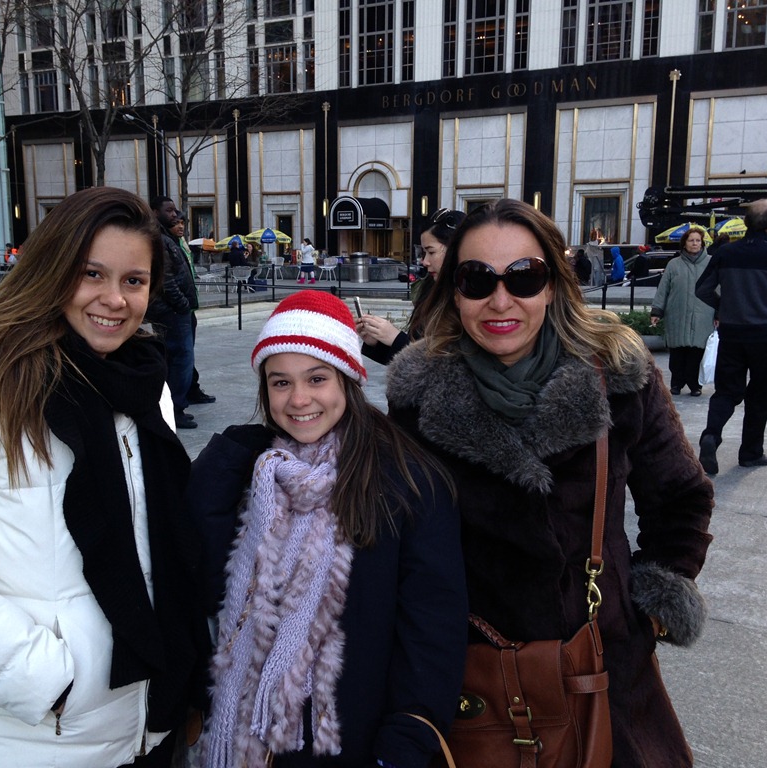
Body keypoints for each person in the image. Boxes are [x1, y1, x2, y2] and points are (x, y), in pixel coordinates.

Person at [0, 188, 210, 768]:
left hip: (150, 717)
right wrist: (51, 682)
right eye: (91, 273)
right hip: (37, 735)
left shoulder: (142, 379)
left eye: (134, 280)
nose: (114, 299)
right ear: (52, 268)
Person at [387, 198, 715, 767]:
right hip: (471, 681)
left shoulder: (617, 374)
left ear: (553, 285)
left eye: (523, 276)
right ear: (453, 291)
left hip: (606, 669)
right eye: (477, 279)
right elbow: (398, 536)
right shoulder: (417, 398)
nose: (500, 301)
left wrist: (648, 604)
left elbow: (680, 497)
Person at [188, 291, 467, 768]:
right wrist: (223, 465)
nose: (299, 399)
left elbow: (433, 632)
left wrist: (403, 747)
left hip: (355, 742)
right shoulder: (257, 473)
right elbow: (207, 588)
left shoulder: (407, 482)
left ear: (349, 380)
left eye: (317, 378)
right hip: (253, 746)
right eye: (281, 382)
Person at [694, 199, 767, 474]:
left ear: (745, 222)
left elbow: (702, 289)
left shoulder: (726, 252)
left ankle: (711, 435)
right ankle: (750, 452)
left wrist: (724, 307)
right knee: (759, 394)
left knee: (726, 391)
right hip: (764, 334)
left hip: (731, 333)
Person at [356, 207, 466, 365]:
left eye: (431, 252)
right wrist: (377, 342)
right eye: (423, 253)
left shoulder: (470, 299)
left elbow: (445, 366)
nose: (424, 261)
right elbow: (413, 357)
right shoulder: (430, 289)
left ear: (455, 250)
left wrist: (395, 338)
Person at [148, 197, 200, 429]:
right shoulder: (159, 240)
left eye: (174, 210)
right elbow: (166, 279)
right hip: (171, 311)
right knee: (182, 359)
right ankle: (175, 407)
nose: (173, 214)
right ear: (155, 212)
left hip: (174, 310)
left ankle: (175, 404)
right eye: (168, 210)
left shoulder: (167, 238)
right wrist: (181, 304)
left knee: (177, 358)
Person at [651, 227, 716, 396]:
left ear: (702, 243)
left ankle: (695, 385)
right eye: (691, 240)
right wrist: (657, 311)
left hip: (703, 315)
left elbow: (719, 289)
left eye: (698, 240)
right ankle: (676, 384)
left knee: (697, 352)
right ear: (684, 243)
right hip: (677, 314)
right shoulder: (674, 264)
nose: (695, 243)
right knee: (677, 352)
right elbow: (663, 289)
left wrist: (719, 313)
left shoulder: (711, 263)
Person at [171, 211, 216, 407]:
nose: (180, 226)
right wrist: (182, 304)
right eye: (176, 223)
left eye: (182, 222)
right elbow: (167, 280)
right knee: (182, 355)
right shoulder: (166, 243)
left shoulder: (180, 243)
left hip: (188, 309)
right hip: (179, 310)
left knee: (187, 354)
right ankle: (178, 402)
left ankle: (191, 389)